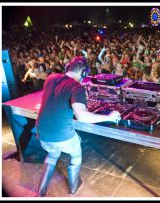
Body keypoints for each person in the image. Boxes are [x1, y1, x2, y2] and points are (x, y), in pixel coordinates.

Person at [35, 56, 121, 197]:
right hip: (61, 137)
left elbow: (48, 98)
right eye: (85, 76)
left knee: (53, 153)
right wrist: (110, 117)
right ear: (82, 73)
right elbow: (82, 116)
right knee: (76, 154)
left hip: (41, 133)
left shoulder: (51, 77)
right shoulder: (76, 87)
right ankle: (74, 189)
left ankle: (41, 192)